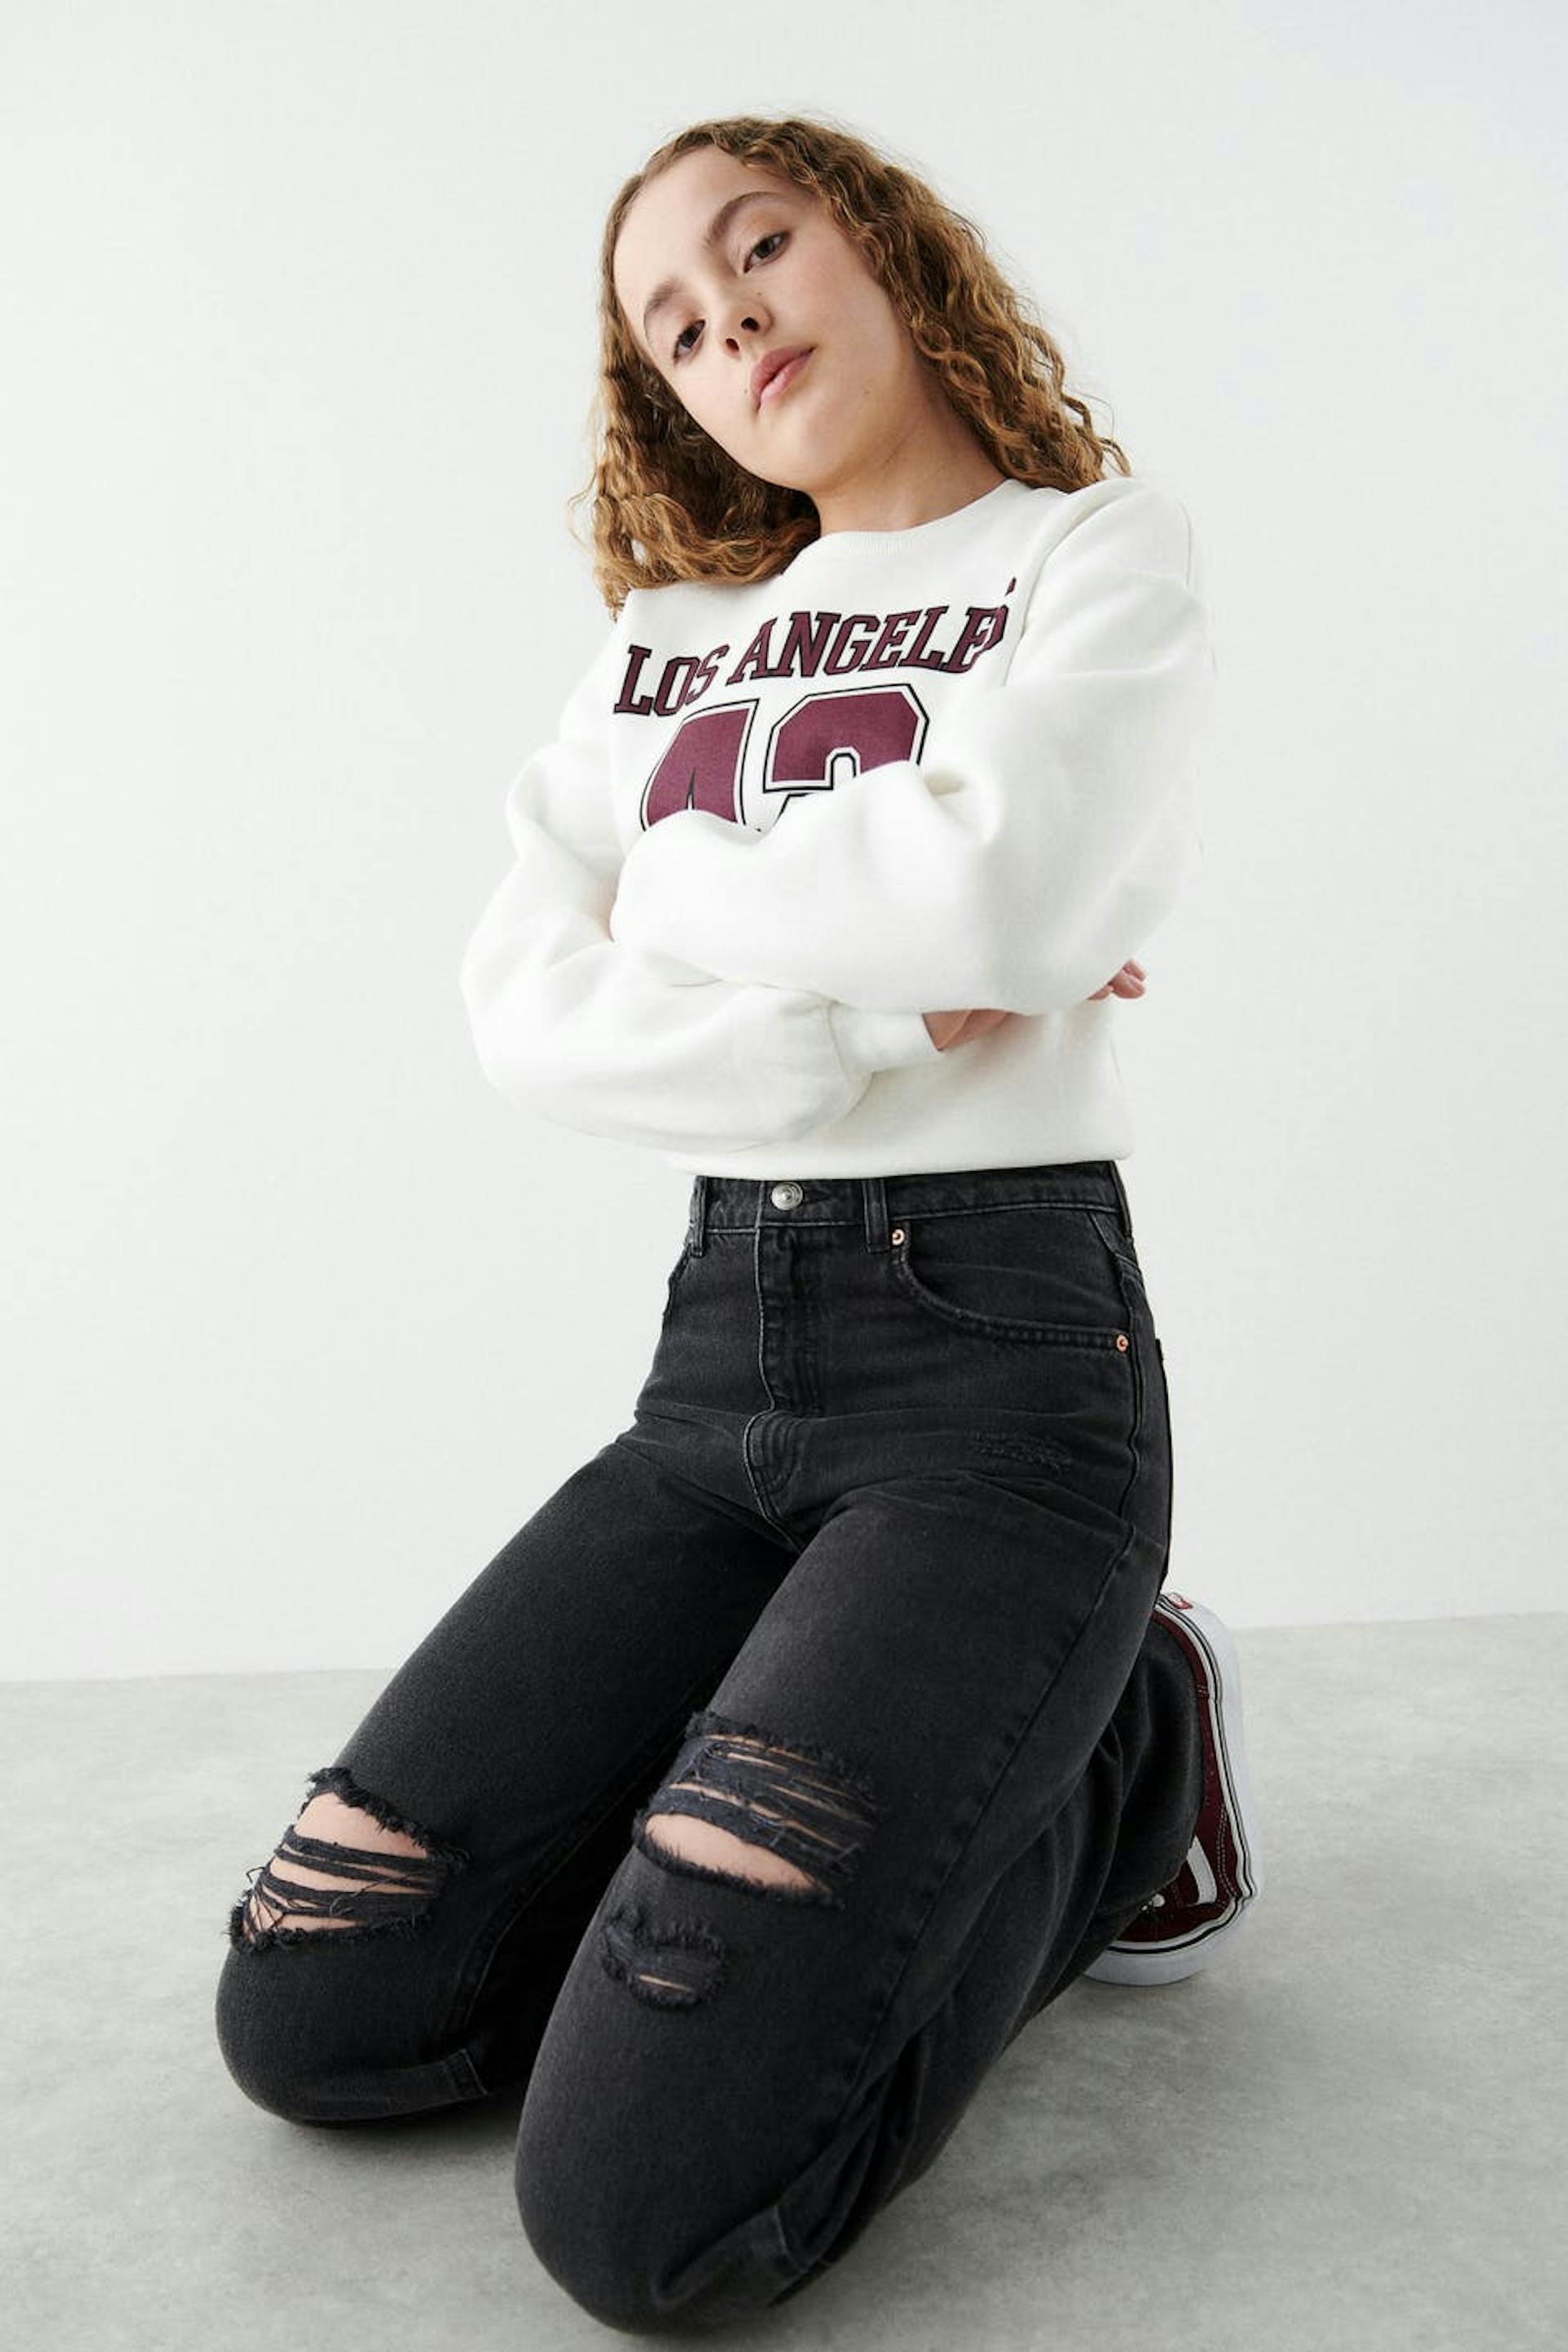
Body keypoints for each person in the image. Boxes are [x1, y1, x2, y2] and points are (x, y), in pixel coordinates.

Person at [213, 111, 1265, 2332]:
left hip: (1000, 1385)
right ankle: (841, 1742)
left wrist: (670, 888)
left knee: (643, 2217)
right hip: (710, 1380)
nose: (731, 323)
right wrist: (865, 1009)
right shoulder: (667, 643)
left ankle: (1128, 1760)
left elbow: (1006, 894)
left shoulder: (1094, 554)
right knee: (319, 2000)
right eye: (674, 328)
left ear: (878, 242)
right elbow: (525, 1010)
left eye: (759, 246)